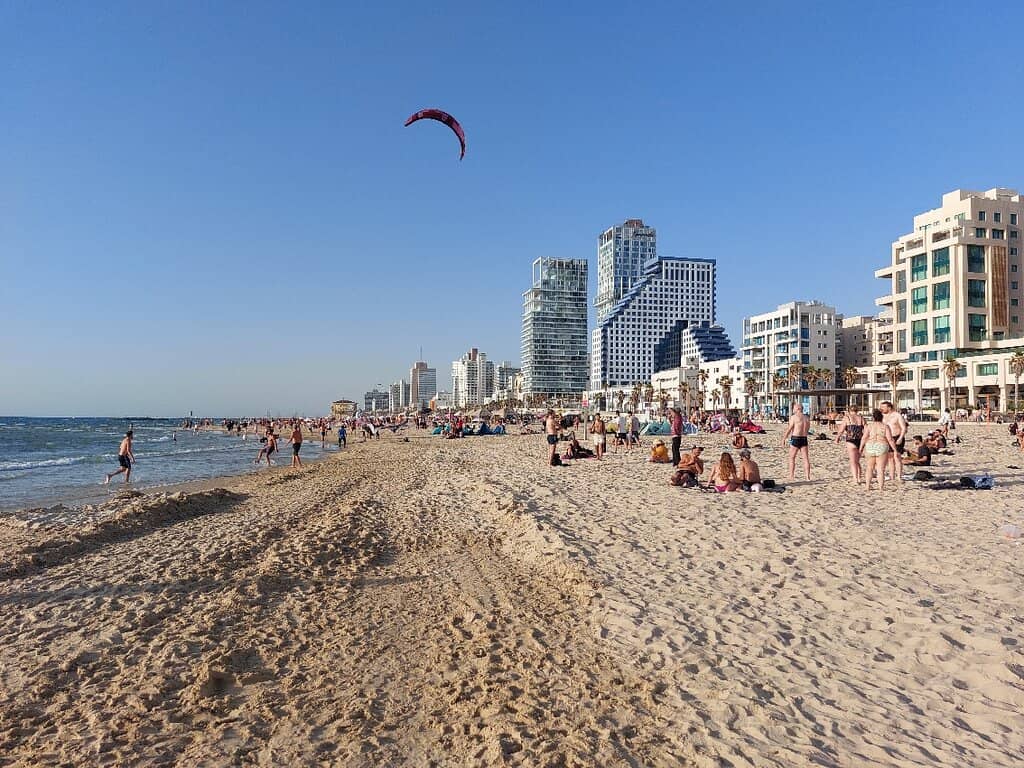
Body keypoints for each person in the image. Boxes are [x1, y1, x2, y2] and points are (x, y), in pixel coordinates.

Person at [860, 409, 898, 491]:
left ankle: (867, 486)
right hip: (882, 445)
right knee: (880, 469)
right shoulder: (885, 426)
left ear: (873, 418)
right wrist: (895, 449)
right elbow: (890, 439)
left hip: (870, 445)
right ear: (882, 417)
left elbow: (864, 438)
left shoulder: (869, 426)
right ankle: (880, 487)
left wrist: (861, 448)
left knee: (869, 468)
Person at [835, 404, 865, 484]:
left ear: (849, 410)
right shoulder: (861, 418)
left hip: (851, 440)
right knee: (857, 461)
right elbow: (866, 429)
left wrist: (837, 437)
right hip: (860, 440)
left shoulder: (847, 417)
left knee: (853, 461)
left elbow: (841, 429)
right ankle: (859, 478)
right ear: (857, 410)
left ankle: (855, 479)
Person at [782, 403, 811, 480]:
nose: (793, 410)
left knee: (792, 458)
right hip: (804, 438)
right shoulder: (807, 418)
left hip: (795, 438)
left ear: (798, 408)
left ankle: (791, 476)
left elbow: (789, 428)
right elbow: (808, 429)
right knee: (805, 458)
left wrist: (784, 438)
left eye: (794, 408)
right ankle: (807, 477)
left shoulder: (794, 417)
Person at [880, 401, 907, 482]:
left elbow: (903, 428)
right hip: (887, 438)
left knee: (897, 457)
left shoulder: (897, 415)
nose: (882, 409)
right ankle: (892, 476)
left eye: (883, 407)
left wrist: (901, 438)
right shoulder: (882, 416)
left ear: (889, 407)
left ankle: (899, 476)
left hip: (897, 437)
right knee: (890, 458)